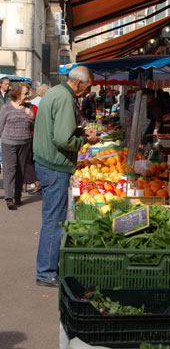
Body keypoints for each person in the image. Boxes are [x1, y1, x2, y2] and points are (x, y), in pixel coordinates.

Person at [33, 66, 100, 288]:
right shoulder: (65, 98)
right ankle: (46, 272)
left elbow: (59, 129)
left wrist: (79, 131)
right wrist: (85, 141)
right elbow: (62, 139)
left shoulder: (54, 92)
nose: (88, 90)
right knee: (54, 220)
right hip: (54, 166)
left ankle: (47, 267)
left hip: (46, 163)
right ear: (78, 83)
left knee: (51, 218)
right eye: (88, 85)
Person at [0, 83, 35, 209]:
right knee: (10, 170)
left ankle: (17, 196)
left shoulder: (29, 107)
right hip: (9, 143)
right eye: (25, 93)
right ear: (17, 94)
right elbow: (0, 126)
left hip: (25, 143)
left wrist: (32, 117)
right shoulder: (6, 108)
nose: (27, 96)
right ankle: (9, 198)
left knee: (21, 170)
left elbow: (34, 127)